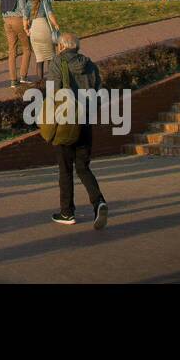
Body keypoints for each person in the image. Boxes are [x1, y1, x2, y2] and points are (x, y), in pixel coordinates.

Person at [48, 33, 108, 229]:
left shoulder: (58, 62)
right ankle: (99, 202)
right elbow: (99, 94)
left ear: (61, 47)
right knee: (83, 167)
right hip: (86, 122)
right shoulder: (89, 64)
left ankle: (67, 212)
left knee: (65, 169)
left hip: (66, 123)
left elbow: (53, 93)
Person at [1, 0, 34, 88]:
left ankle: (13, 80)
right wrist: (26, 24)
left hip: (6, 21)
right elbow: (24, 8)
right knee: (27, 48)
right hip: (18, 20)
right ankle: (23, 76)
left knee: (12, 51)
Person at [27, 0, 60, 80]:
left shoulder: (29, 3)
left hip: (34, 30)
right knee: (50, 56)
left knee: (39, 59)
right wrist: (56, 25)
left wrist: (26, 29)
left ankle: (40, 82)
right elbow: (50, 14)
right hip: (44, 29)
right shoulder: (46, 1)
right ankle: (51, 80)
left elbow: (25, 18)